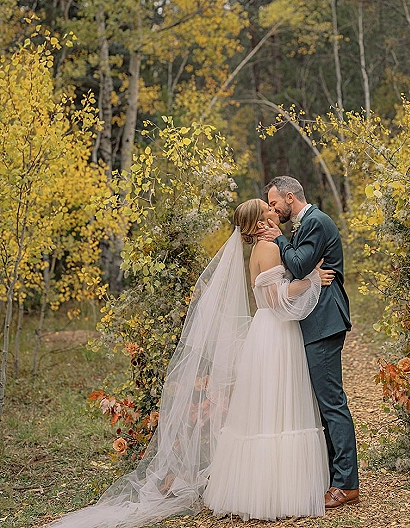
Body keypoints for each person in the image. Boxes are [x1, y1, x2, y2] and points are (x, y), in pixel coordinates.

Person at [48, 199, 333, 528]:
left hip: (271, 332)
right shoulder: (267, 250)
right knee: (274, 407)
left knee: (269, 407)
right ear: (258, 222)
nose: (274, 212)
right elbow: (273, 299)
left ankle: (270, 488)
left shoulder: (264, 247)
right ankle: (275, 493)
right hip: (274, 333)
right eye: (267, 210)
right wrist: (312, 279)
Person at [257, 175, 359, 510]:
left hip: (325, 322)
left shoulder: (316, 221)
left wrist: (279, 239)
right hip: (313, 321)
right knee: (321, 404)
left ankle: (346, 484)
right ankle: (332, 476)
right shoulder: (304, 225)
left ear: (289, 197)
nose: (273, 211)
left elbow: (299, 266)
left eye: (274, 204)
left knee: (331, 403)